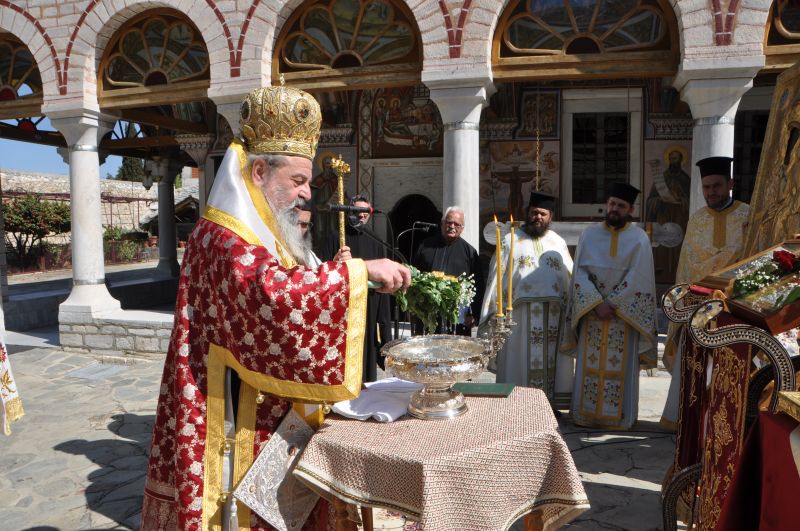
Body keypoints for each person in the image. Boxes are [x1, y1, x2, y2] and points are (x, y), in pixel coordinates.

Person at [140, 85, 411, 530]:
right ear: (260, 170)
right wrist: (357, 275)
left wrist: (342, 277)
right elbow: (270, 296)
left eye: (308, 182)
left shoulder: (263, 229)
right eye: (298, 181)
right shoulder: (224, 236)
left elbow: (293, 274)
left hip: (269, 411)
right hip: (231, 418)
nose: (307, 194)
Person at [660, 156, 751, 428]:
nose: (711, 192)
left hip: (735, 307)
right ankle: (691, 423)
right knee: (696, 368)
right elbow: (687, 265)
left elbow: (750, 257)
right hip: (699, 306)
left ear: (730, 184)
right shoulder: (697, 219)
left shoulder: (748, 215)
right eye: (706, 187)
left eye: (717, 186)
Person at [561, 183, 657, 430]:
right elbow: (578, 272)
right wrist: (595, 304)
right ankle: (587, 415)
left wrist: (612, 303)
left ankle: (620, 417)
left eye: (621, 206)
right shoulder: (589, 234)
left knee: (620, 369)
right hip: (592, 315)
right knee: (590, 366)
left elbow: (640, 276)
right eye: (612, 203)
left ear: (631, 209)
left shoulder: (639, 239)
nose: (614, 209)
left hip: (623, 317)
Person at [479, 192, 574, 410]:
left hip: (553, 316)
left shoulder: (557, 242)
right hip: (518, 317)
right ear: (527, 213)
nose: (537, 217)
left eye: (542, 213)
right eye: (534, 213)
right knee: (517, 361)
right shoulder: (511, 239)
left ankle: (549, 408)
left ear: (550, 217)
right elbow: (496, 276)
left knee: (553, 364)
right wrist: (495, 311)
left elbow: (569, 275)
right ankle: (517, 406)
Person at [321, 196, 393, 382]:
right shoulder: (335, 238)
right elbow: (321, 273)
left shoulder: (377, 242)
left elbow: (383, 284)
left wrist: (385, 329)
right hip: (343, 308)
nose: (360, 215)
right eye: (355, 211)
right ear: (347, 212)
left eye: (365, 212)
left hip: (369, 306)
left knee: (366, 353)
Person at [412, 206, 485, 335]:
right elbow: (414, 276)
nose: (452, 226)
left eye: (457, 224)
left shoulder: (470, 253)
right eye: (449, 222)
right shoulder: (425, 246)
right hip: (427, 315)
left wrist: (474, 314)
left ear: (462, 228)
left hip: (457, 320)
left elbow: (478, 286)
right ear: (442, 223)